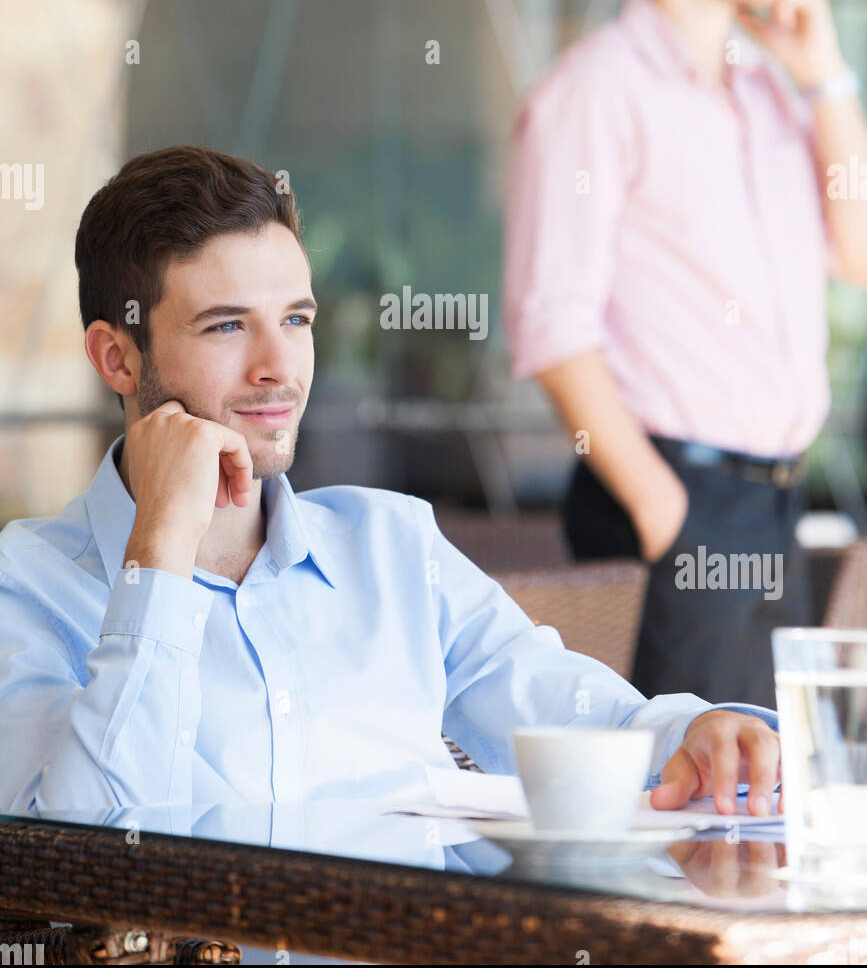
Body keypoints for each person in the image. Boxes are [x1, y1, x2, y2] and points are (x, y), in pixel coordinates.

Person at [0, 146, 783, 822]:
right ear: (117, 358)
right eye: (227, 325)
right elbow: (84, 849)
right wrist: (160, 554)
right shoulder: (27, 585)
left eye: (297, 320)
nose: (279, 366)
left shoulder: (393, 545)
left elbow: (567, 707)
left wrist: (697, 732)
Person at [503, 0, 867, 709]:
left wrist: (824, 80)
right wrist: (663, 511)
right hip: (676, 499)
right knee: (678, 819)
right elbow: (551, 327)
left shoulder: (768, 94)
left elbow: (858, 254)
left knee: (758, 801)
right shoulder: (593, 93)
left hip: (773, 502)